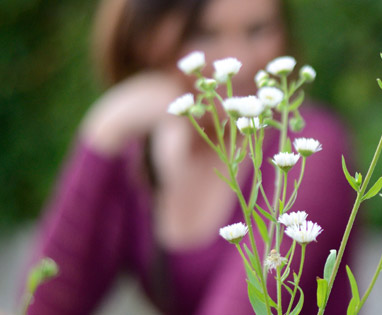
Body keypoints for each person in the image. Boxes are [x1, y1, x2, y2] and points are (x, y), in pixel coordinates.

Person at [23, 0, 356, 313]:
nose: (238, 61)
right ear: (146, 37)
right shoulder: (135, 155)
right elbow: (44, 305)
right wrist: (103, 133)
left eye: (259, 29)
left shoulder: (304, 153)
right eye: (205, 34)